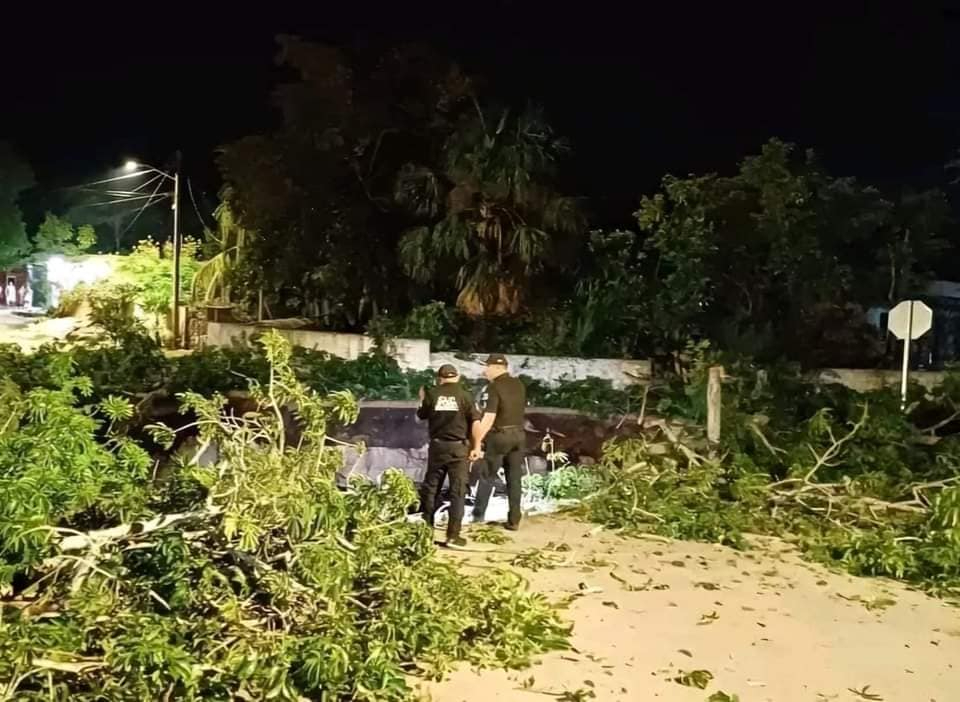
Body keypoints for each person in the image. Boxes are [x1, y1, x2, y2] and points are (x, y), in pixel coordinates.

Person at [417, 364, 480, 547]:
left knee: (431, 489)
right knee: (457, 491)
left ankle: (426, 533)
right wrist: (476, 446)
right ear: (457, 377)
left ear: (440, 378)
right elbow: (475, 422)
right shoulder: (465, 396)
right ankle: (453, 535)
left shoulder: (432, 394)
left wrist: (422, 399)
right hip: (458, 448)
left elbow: (421, 415)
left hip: (437, 447)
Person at [470, 353, 527, 530]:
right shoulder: (518, 385)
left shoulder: (493, 388)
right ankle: (514, 519)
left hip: (500, 436)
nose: (484, 370)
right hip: (518, 434)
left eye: (486, 367)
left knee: (487, 476)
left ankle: (478, 517)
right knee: (514, 478)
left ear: (495, 367)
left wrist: (477, 444)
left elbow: (488, 418)